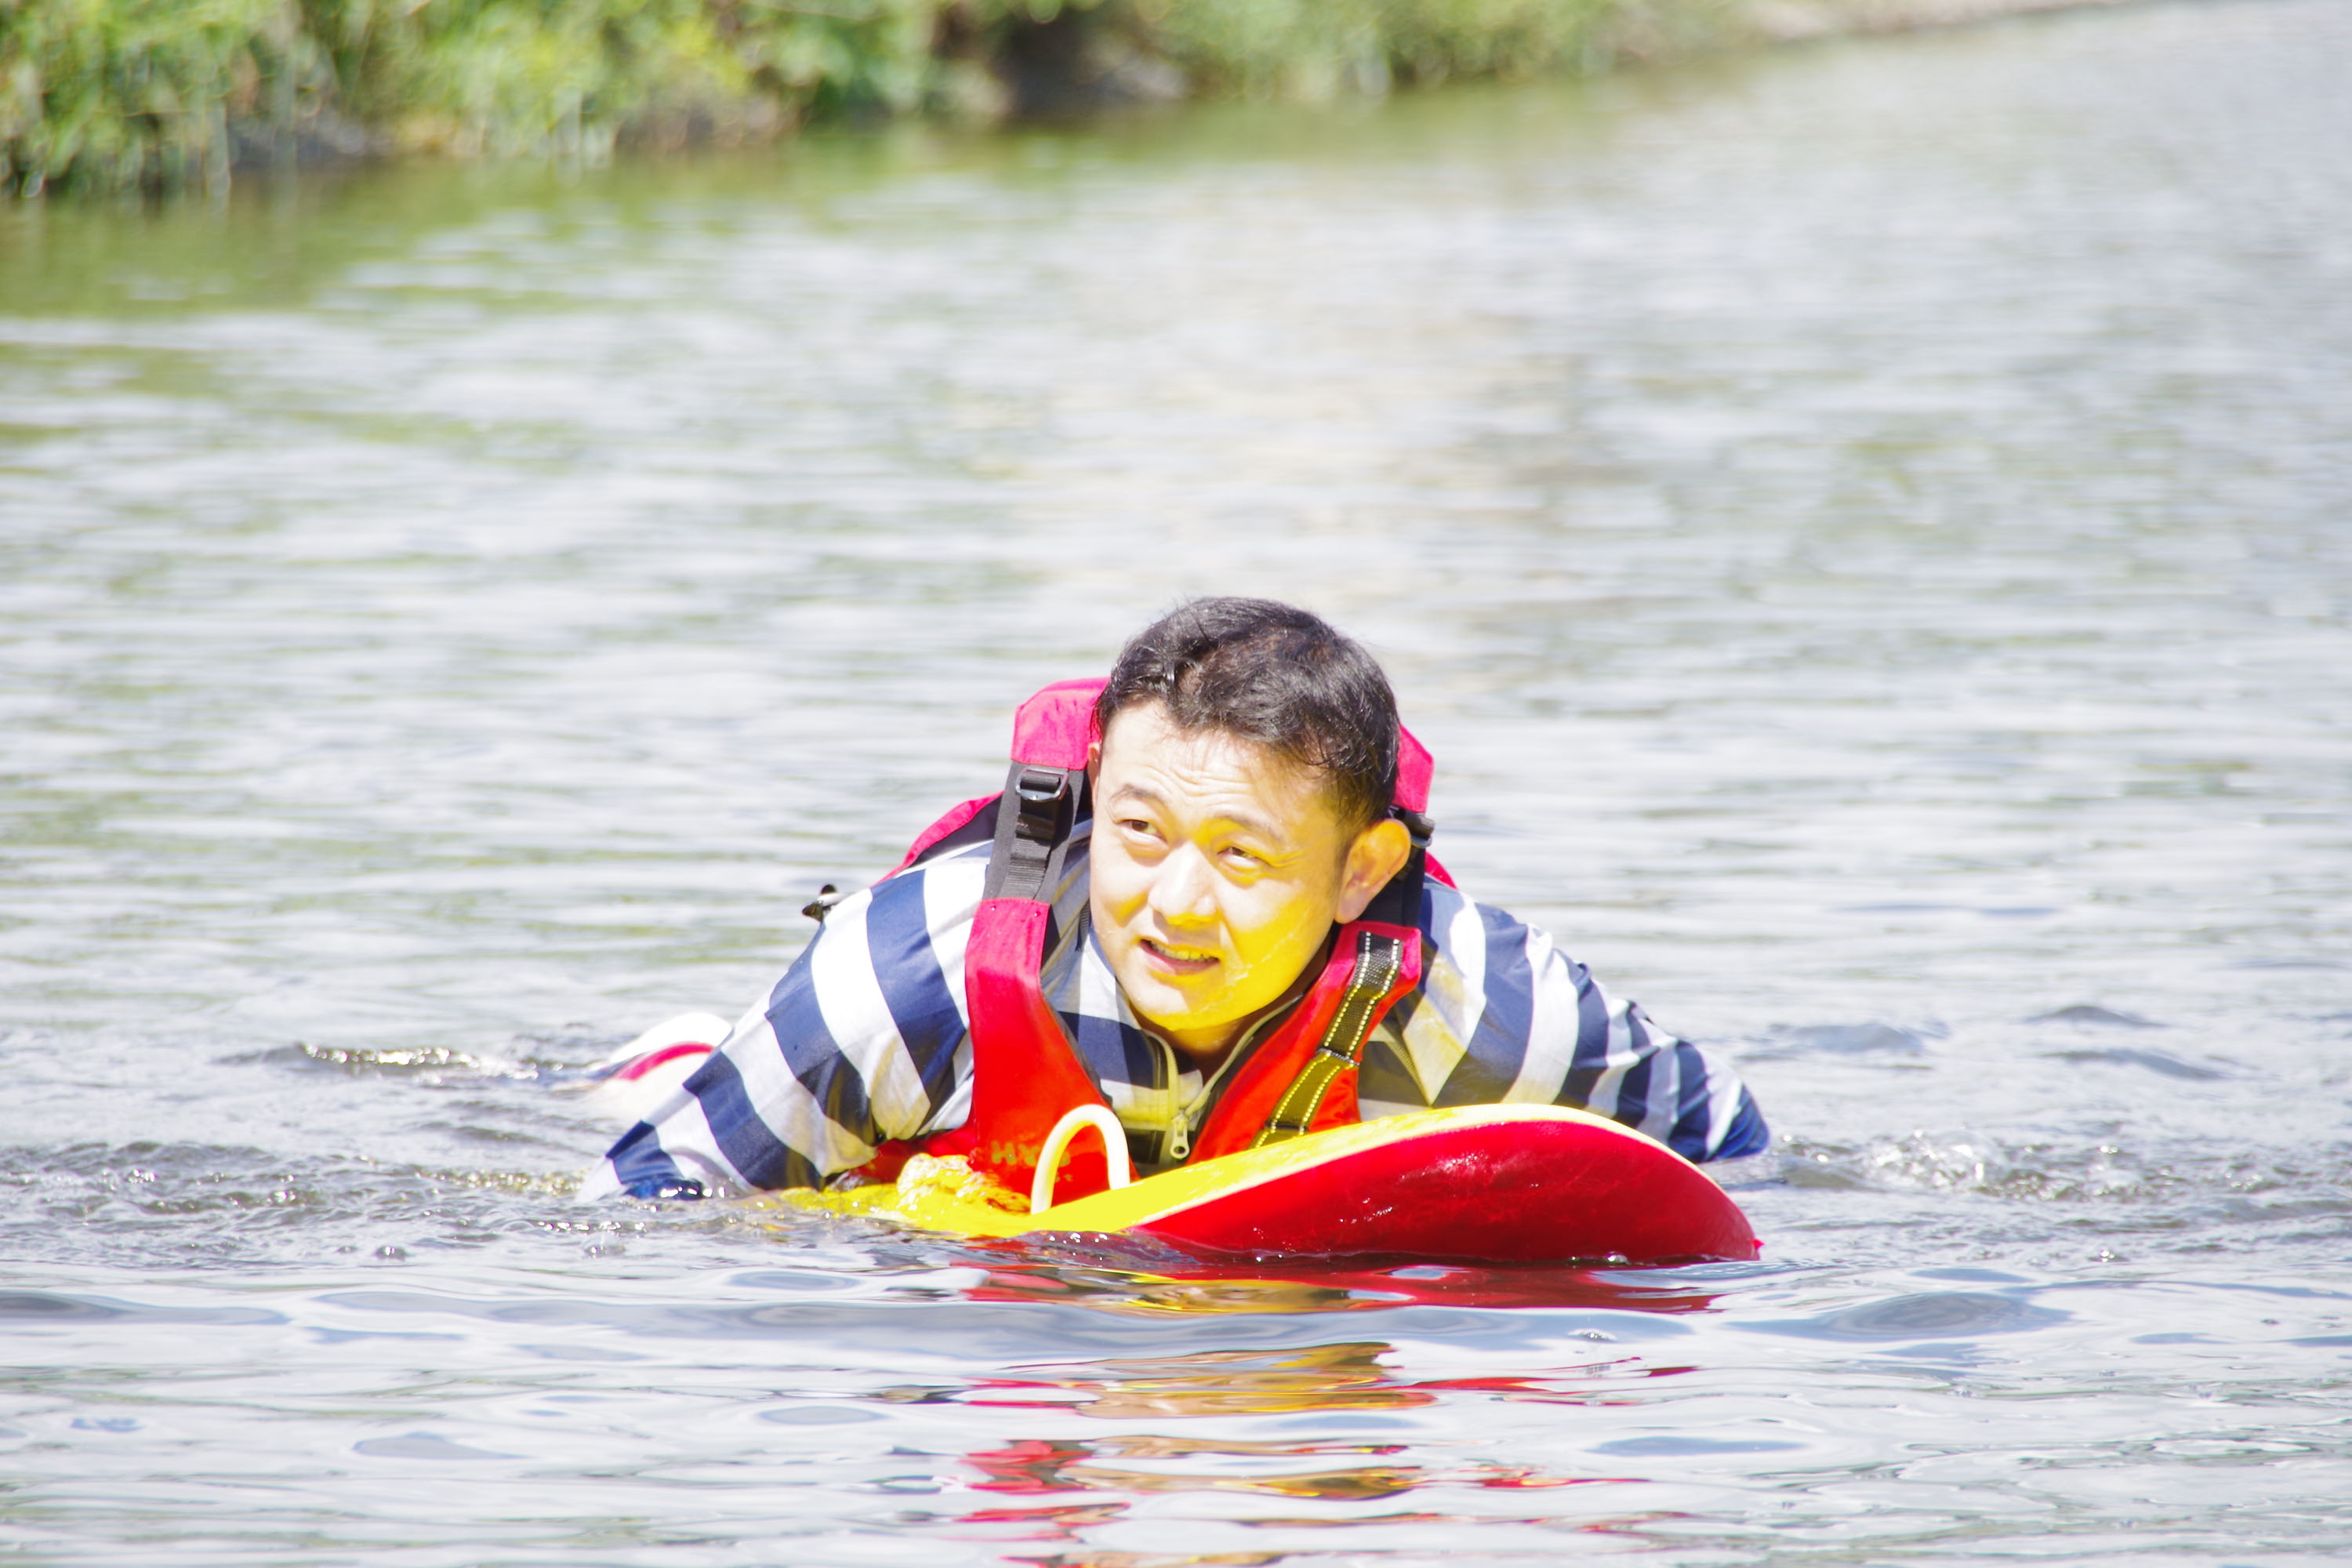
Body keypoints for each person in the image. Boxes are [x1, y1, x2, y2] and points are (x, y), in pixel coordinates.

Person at [586, 597, 1768, 1203]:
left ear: (1361, 873)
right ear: (1097, 791)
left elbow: (1724, 1141)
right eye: (1140, 831)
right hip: (871, 1117)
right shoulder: (911, 975)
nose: (1177, 906)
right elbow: (648, 1195)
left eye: (1243, 858)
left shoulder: (1474, 993)